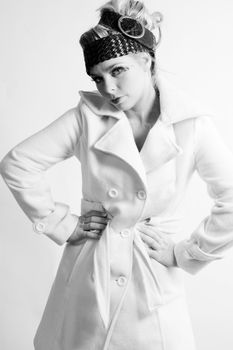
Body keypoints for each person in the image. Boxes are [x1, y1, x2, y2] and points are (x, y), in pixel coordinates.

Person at [1, 0, 233, 349]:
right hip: (92, 269)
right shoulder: (86, 117)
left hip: (151, 274)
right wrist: (61, 222)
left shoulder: (192, 124)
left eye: (117, 70)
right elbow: (17, 163)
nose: (108, 87)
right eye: (97, 77)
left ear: (146, 59)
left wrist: (186, 253)